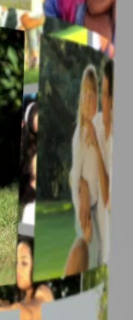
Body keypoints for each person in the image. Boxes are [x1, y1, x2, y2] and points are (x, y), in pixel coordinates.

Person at [64, 64, 104, 276]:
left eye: (94, 95)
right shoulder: (78, 135)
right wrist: (84, 221)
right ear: (81, 99)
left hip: (97, 212)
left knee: (94, 260)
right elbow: (75, 178)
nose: (90, 101)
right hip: (85, 215)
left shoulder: (99, 126)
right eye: (86, 95)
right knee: (85, 252)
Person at [90, 58, 113, 263]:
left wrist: (97, 148)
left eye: (105, 95)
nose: (101, 101)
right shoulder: (97, 122)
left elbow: (108, 199)